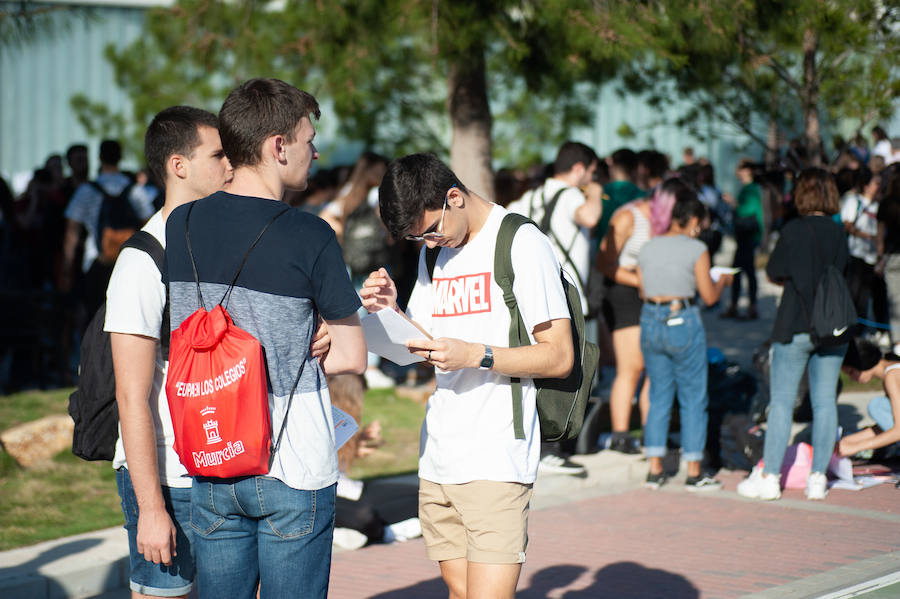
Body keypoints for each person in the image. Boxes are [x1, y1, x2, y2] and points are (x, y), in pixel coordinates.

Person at [164, 78, 367, 599]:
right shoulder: (311, 234)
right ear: (278, 146)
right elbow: (350, 356)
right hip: (291, 460)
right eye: (308, 139)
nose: (315, 152)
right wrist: (321, 333)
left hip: (211, 448)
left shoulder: (181, 223)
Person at [360, 152, 575, 599]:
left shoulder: (519, 242)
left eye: (431, 230)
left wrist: (477, 355)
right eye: (419, 239)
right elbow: (428, 346)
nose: (430, 243)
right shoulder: (433, 256)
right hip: (439, 452)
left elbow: (559, 356)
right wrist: (389, 312)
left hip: (497, 454)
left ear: (453, 197)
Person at [105, 106, 233, 599]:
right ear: (179, 166)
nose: (230, 165)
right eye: (218, 154)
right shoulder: (143, 259)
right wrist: (152, 509)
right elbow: (130, 394)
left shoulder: (219, 243)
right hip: (169, 478)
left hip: (227, 466)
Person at [738, 168, 848, 502]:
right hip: (833, 326)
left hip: (794, 323)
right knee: (826, 402)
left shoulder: (793, 230)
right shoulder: (838, 231)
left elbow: (773, 270)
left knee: (782, 401)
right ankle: (817, 478)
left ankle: (771, 476)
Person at [506, 141, 602, 474]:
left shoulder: (531, 197)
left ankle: (539, 446)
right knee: (565, 372)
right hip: (566, 298)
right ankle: (553, 448)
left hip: (529, 296)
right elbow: (590, 217)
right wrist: (594, 191)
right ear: (579, 169)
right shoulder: (573, 195)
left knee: (538, 371)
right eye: (590, 172)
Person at [636, 182, 733, 490]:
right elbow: (709, 296)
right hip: (683, 319)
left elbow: (642, 289)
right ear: (692, 221)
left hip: (650, 319)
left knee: (659, 396)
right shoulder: (698, 249)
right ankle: (693, 472)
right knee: (693, 398)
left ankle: (655, 469)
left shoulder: (648, 247)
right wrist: (723, 282)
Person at [596, 179, 680, 454]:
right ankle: (620, 434)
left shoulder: (666, 220)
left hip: (654, 293)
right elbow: (604, 264)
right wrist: (639, 281)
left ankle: (651, 433)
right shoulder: (627, 217)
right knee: (631, 368)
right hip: (624, 292)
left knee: (655, 369)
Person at [62, 139, 154, 320]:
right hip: (128, 261)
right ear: (120, 158)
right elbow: (150, 224)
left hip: (95, 261)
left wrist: (66, 266)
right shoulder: (134, 190)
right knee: (125, 317)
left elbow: (71, 232)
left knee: (96, 319)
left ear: (99, 157)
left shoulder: (86, 191)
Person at [842, 168, 888, 335]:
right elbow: (847, 225)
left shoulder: (880, 205)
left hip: (874, 257)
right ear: (866, 185)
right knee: (857, 296)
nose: (879, 187)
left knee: (878, 296)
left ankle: (880, 330)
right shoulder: (854, 202)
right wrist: (868, 236)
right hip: (857, 255)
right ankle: (855, 332)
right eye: (876, 184)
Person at [839, 338, 900, 458]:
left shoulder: (892, 376)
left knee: (877, 405)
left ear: (861, 363)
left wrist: (857, 446)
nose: (852, 379)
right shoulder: (892, 371)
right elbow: (889, 424)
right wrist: (849, 441)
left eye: (851, 372)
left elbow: (898, 430)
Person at [721, 159, 764, 321]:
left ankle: (746, 307)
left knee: (741, 271)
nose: (737, 171)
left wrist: (733, 203)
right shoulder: (748, 189)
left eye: (741, 168)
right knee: (743, 271)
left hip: (748, 236)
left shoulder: (751, 190)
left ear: (748, 171)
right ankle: (743, 306)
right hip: (745, 236)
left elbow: (746, 210)